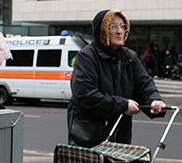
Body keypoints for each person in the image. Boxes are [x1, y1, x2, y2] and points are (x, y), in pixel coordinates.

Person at [68, 9, 166, 148]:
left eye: (123, 26)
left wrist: (155, 101)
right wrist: (123, 105)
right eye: (113, 26)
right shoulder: (87, 56)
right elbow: (84, 96)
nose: (120, 31)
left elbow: (144, 85)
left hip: (120, 136)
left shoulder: (129, 57)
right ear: (101, 30)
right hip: (90, 137)